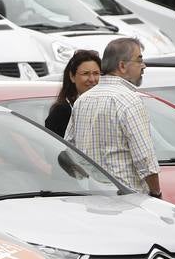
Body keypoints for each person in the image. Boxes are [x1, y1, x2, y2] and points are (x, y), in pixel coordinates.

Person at [68, 37, 162, 197]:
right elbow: (145, 159)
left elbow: (69, 148)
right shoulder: (130, 100)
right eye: (139, 60)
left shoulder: (82, 100)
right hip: (127, 197)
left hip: (90, 195)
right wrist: (156, 192)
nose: (144, 66)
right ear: (122, 66)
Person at [45, 49, 101, 137]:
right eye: (85, 73)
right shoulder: (62, 112)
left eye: (96, 73)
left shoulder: (107, 106)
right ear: (72, 76)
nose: (92, 79)